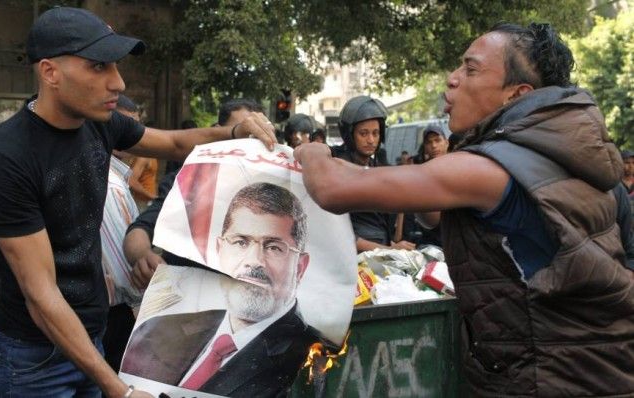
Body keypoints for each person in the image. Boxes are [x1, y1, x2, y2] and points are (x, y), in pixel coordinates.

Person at [295, 22, 634, 396]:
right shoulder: (562, 157)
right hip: (595, 368)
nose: (452, 79)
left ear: (516, 94)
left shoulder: (492, 167)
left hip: (548, 379)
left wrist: (311, 151)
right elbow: (437, 215)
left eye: (471, 70)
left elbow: (331, 188)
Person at [0, 7, 275, 398]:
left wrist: (235, 130)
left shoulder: (100, 124)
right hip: (34, 360)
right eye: (99, 67)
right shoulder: (5, 157)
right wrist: (120, 389)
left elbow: (172, 142)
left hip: (90, 338)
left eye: (115, 66)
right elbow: (41, 293)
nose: (117, 82)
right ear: (50, 72)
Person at [121, 182, 321, 397]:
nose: (254, 261)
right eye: (240, 242)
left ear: (300, 267)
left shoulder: (310, 357)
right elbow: (142, 228)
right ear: (220, 249)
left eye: (273, 247)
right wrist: (143, 255)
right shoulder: (159, 329)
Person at [124, 98, 266, 288]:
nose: (247, 146)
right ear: (220, 131)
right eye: (241, 133)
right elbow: (139, 231)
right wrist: (143, 258)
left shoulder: (273, 191)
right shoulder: (186, 182)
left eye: (257, 137)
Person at [330, 95, 416, 252]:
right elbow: (340, 234)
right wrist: (390, 250)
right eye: (363, 133)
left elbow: (393, 233)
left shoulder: (378, 167)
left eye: (376, 133)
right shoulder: (336, 167)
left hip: (379, 253)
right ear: (349, 135)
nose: (371, 140)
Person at [100, 94, 143, 375]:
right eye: (129, 128)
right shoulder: (110, 184)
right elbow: (121, 267)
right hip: (112, 312)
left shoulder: (114, 176)